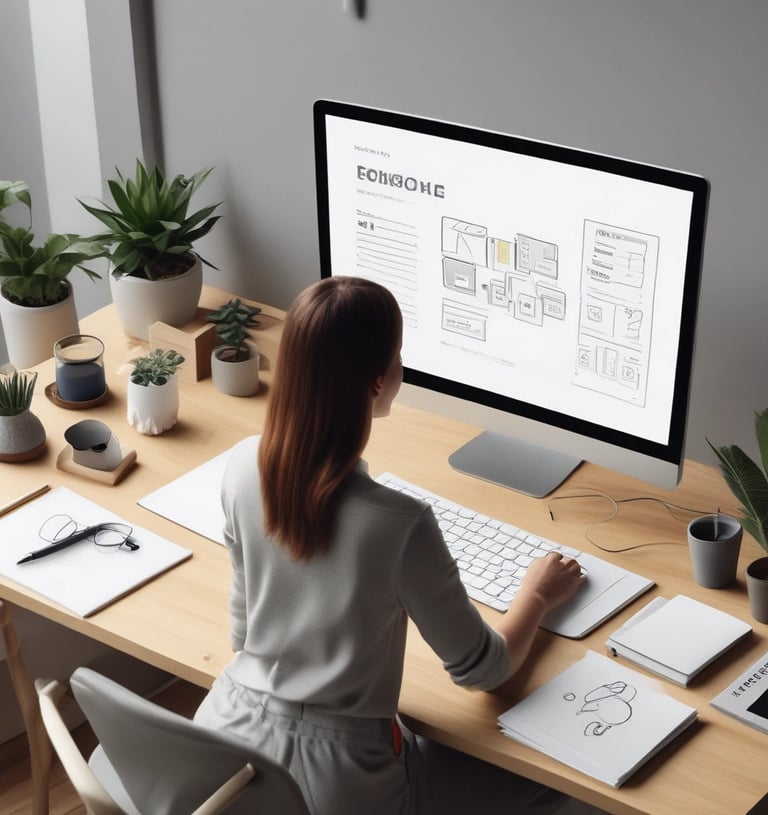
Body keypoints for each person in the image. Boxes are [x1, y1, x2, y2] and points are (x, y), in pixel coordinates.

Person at [194, 276, 587, 815]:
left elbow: (242, 634)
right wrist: (536, 596)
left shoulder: (242, 464)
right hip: (341, 784)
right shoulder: (397, 523)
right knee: (566, 786)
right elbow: (484, 670)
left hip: (225, 753)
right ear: (380, 381)